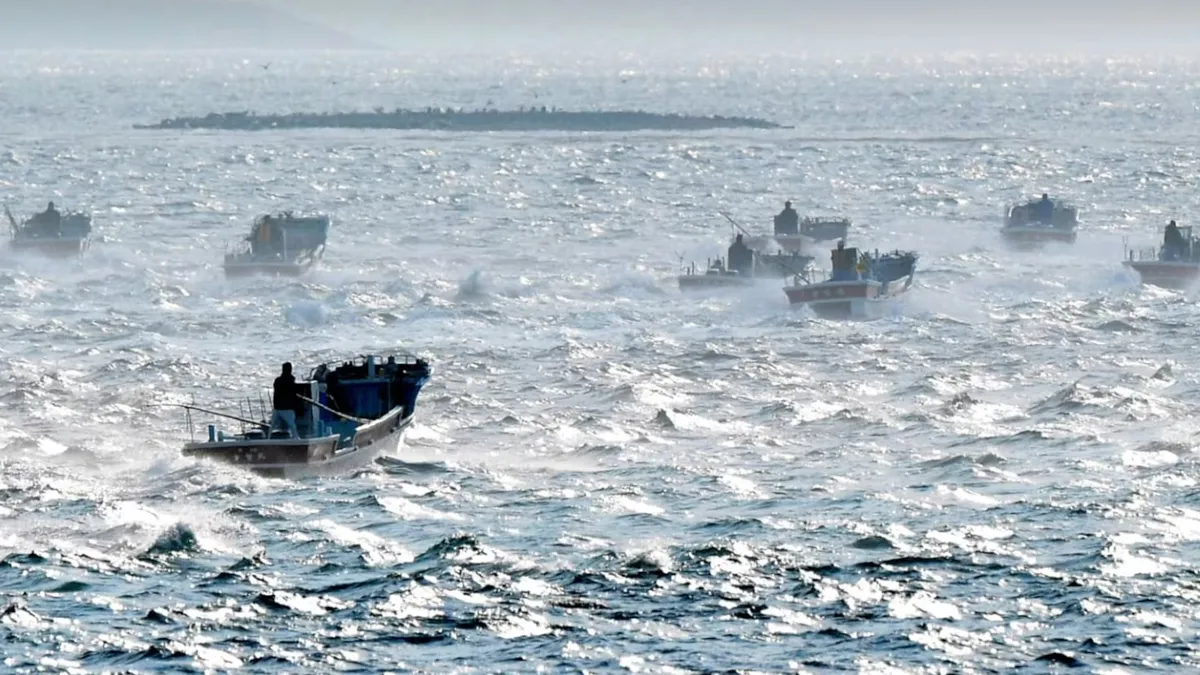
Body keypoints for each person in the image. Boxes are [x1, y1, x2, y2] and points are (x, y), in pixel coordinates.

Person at [271, 362, 301, 438]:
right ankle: (296, 439)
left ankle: (268, 439)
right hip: (287, 408)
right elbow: (294, 392)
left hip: (277, 407)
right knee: (292, 426)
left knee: (272, 426)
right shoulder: (290, 381)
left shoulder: (277, 380)